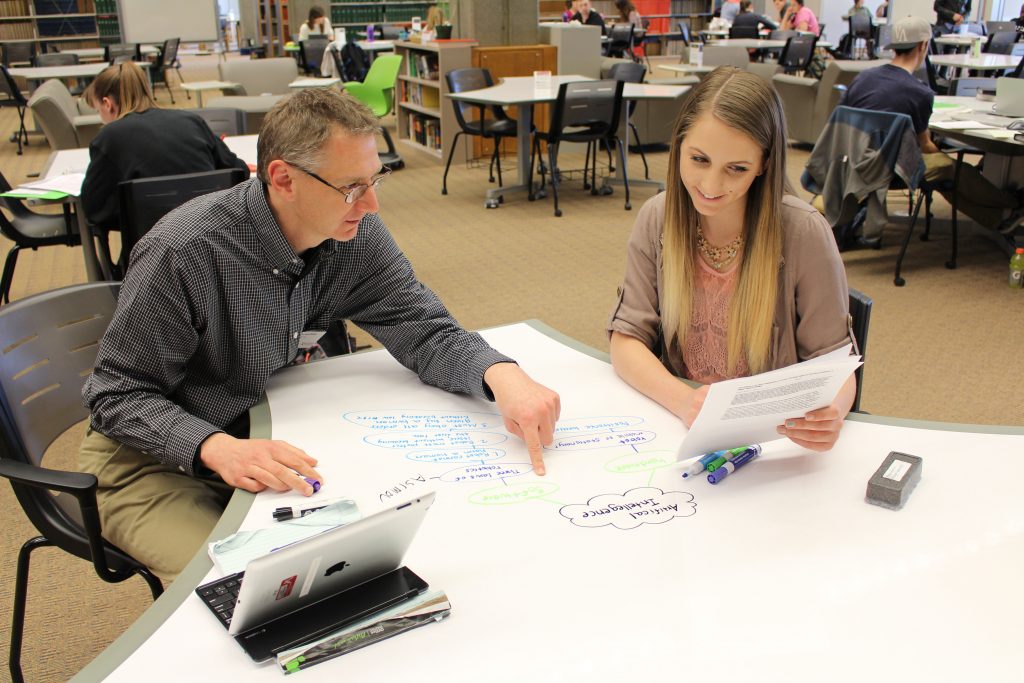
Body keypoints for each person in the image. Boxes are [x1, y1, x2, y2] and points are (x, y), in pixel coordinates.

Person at [78, 88, 561, 581]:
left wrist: (501, 374)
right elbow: (118, 396)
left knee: (375, 561)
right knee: (254, 585)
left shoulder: (351, 231)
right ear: (283, 179)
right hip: (149, 462)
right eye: (352, 187)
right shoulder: (183, 251)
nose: (370, 204)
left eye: (374, 180)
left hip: (259, 428)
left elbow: (420, 325)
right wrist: (215, 447)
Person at [607, 67, 856, 455]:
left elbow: (835, 363)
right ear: (678, 147)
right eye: (699, 159)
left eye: (736, 169)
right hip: (682, 429)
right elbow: (626, 341)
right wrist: (685, 402)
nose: (710, 186)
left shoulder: (803, 233)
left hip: (772, 442)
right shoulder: (658, 217)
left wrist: (833, 412)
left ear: (765, 164)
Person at [841, 15, 1024, 234]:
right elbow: (926, 145)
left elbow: (841, 121)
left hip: (852, 162)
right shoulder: (920, 93)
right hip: (892, 170)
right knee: (950, 169)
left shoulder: (862, 78)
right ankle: (1011, 204)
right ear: (924, 45)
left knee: (947, 171)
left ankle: (998, 218)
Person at [80, 62, 249, 236]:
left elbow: (94, 210)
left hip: (149, 254)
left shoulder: (109, 137)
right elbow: (238, 171)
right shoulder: (191, 121)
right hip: (213, 248)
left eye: (98, 110)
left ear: (107, 104)